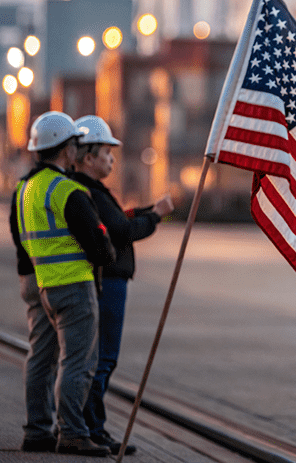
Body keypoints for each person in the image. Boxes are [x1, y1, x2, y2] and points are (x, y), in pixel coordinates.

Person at [10, 111, 116, 456]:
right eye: (73, 144)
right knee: (77, 362)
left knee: (40, 359)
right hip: (74, 285)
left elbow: (19, 236)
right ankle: (72, 431)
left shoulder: (24, 189)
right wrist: (107, 253)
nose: (75, 150)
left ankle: (37, 430)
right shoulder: (67, 189)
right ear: (66, 149)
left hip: (42, 284)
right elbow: (98, 243)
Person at [71, 115, 174, 456]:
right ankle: (92, 428)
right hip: (109, 282)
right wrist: (156, 216)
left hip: (105, 281)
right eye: (107, 153)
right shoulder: (92, 193)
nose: (112, 159)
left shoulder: (93, 192)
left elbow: (121, 219)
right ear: (89, 157)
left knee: (96, 358)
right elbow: (124, 231)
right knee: (102, 359)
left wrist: (147, 211)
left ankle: (90, 425)